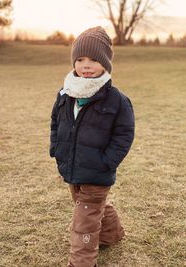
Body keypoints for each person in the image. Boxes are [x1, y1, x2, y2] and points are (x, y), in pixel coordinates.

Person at [50, 26, 135, 267]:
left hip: (97, 171)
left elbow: (124, 134)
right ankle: (112, 234)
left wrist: (107, 161)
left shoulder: (117, 100)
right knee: (90, 206)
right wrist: (56, 147)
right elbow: (56, 121)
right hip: (71, 167)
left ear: (106, 63)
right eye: (80, 59)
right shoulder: (65, 93)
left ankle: (82, 262)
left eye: (94, 59)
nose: (86, 64)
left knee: (83, 222)